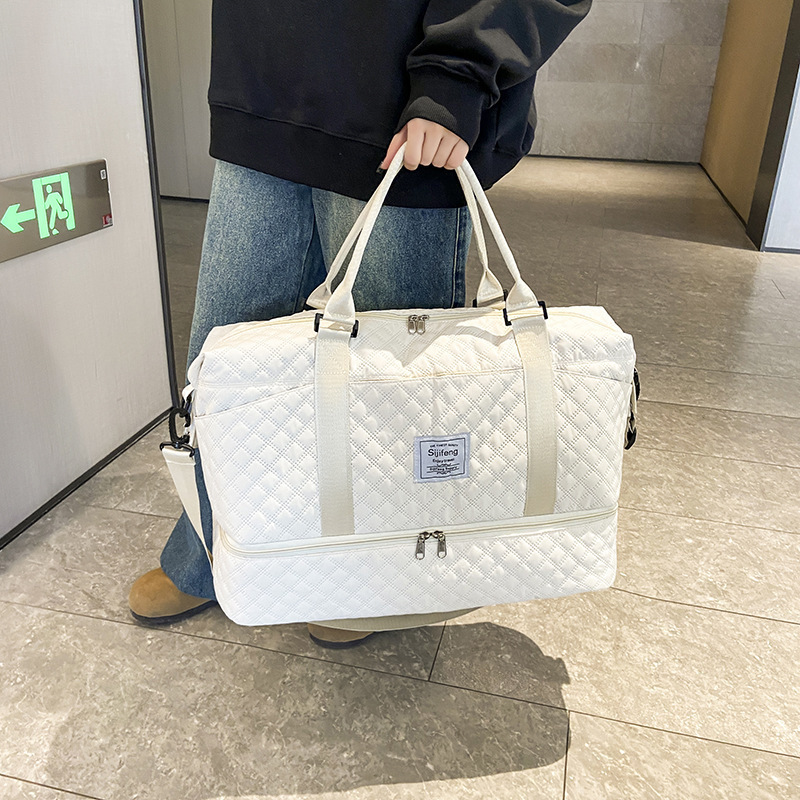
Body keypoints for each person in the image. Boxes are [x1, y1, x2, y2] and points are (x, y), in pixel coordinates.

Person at [129, 0, 592, 646]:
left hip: (400, 101)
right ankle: (212, 553)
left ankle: (369, 579)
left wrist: (459, 72)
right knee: (225, 372)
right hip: (261, 86)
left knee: (387, 390)